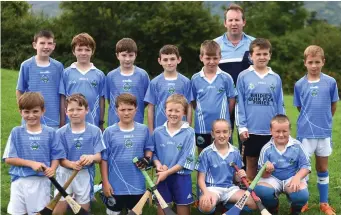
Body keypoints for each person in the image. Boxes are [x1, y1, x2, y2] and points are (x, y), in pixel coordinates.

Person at [2, 92, 65, 215]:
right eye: (26, 112)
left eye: (35, 111)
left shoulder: (51, 133)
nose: (31, 115)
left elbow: (57, 155)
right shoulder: (16, 132)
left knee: (38, 212)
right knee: (18, 212)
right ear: (21, 112)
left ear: (43, 111)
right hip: (19, 181)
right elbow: (8, 158)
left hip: (41, 182)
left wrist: (52, 169)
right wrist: (31, 163)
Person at [293, 45, 339, 215]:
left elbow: (333, 105)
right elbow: (299, 106)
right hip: (306, 133)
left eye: (317, 62)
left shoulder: (330, 82)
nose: (314, 65)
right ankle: (303, 201)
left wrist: (324, 121)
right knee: (304, 168)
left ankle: (324, 203)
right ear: (305, 63)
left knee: (322, 167)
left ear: (323, 62)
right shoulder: (299, 84)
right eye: (310, 62)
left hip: (324, 132)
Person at [235, 38, 285, 180]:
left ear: (270, 55)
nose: (262, 57)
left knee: (270, 164)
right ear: (251, 56)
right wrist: (242, 127)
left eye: (265, 54)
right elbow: (240, 103)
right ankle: (251, 196)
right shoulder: (243, 76)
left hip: (271, 129)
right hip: (251, 129)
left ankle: (268, 194)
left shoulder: (275, 77)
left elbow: (280, 103)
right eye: (258, 54)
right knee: (251, 161)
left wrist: (280, 126)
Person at [53, 93, 106, 214]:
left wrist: (91, 157)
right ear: (66, 111)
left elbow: (99, 157)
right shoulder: (60, 133)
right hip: (64, 174)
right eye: (71, 110)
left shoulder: (95, 131)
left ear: (87, 110)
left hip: (84, 174)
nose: (75, 113)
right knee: (58, 210)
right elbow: (59, 159)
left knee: (83, 210)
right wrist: (71, 164)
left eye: (79, 109)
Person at [100, 93, 152, 215]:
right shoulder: (109, 132)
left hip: (137, 184)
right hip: (115, 185)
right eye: (122, 109)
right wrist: (105, 182)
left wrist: (146, 158)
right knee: (113, 212)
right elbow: (104, 159)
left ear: (136, 110)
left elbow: (149, 149)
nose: (126, 113)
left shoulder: (143, 130)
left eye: (130, 109)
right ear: (116, 110)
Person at [214, 3, 255, 150]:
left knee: (247, 139)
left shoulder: (253, 44)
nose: (234, 23)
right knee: (224, 137)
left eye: (237, 20)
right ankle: (227, 170)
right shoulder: (215, 45)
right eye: (230, 20)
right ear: (225, 23)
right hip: (223, 100)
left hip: (248, 100)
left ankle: (245, 171)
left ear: (243, 22)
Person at [196, 119, 257, 214]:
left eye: (225, 132)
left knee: (252, 202)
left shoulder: (235, 152)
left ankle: (227, 209)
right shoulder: (206, 153)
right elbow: (200, 179)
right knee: (206, 206)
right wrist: (206, 193)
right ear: (212, 134)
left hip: (230, 189)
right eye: (218, 132)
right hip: (212, 188)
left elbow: (236, 179)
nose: (221, 135)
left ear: (230, 133)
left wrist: (240, 176)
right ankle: (218, 205)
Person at [148, 94, 196, 215]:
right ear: (165, 111)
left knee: (183, 209)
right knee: (163, 209)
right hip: (162, 177)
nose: (173, 114)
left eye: (177, 111)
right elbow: (152, 153)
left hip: (181, 177)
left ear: (184, 112)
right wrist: (158, 165)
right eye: (170, 110)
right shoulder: (158, 132)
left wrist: (167, 172)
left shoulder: (189, 132)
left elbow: (186, 159)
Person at [254, 114, 310, 215]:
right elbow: (261, 173)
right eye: (277, 131)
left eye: (284, 131)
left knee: (302, 194)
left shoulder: (297, 145)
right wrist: (266, 170)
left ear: (289, 130)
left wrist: (297, 177)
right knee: (261, 190)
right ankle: (273, 207)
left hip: (291, 177)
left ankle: (295, 210)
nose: (281, 135)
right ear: (271, 131)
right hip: (273, 178)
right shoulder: (266, 149)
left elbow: (306, 166)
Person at [191, 40, 236, 154]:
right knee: (203, 155)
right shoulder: (195, 79)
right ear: (201, 57)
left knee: (224, 153)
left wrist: (225, 116)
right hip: (202, 127)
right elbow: (193, 101)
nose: (211, 62)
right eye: (208, 58)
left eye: (215, 58)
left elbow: (231, 100)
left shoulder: (226, 78)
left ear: (220, 57)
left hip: (222, 127)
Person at [16, 30, 64, 129]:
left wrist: (62, 119)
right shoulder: (26, 65)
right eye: (42, 43)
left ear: (53, 46)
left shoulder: (58, 67)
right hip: (31, 119)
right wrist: (24, 113)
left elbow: (62, 95)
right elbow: (19, 90)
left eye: (49, 43)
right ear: (34, 45)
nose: (46, 46)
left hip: (53, 120)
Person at [59, 33, 106, 130]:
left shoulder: (99, 74)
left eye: (87, 50)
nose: (83, 53)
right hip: (70, 122)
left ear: (92, 51)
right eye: (79, 49)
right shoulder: (66, 73)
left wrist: (101, 122)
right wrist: (62, 121)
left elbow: (101, 100)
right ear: (73, 51)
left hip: (93, 123)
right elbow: (63, 98)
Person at [144, 45, 193, 133]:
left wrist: (188, 127)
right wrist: (151, 132)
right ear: (159, 61)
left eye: (172, 59)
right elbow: (150, 108)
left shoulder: (186, 82)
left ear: (179, 59)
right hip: (160, 129)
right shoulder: (154, 82)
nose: (169, 62)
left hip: (180, 129)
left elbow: (189, 106)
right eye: (165, 60)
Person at [106, 38, 150, 126]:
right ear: (117, 55)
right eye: (124, 55)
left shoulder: (142, 75)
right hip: (115, 121)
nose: (127, 59)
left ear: (135, 55)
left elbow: (146, 100)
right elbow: (109, 100)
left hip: (136, 120)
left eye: (131, 55)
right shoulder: (111, 76)